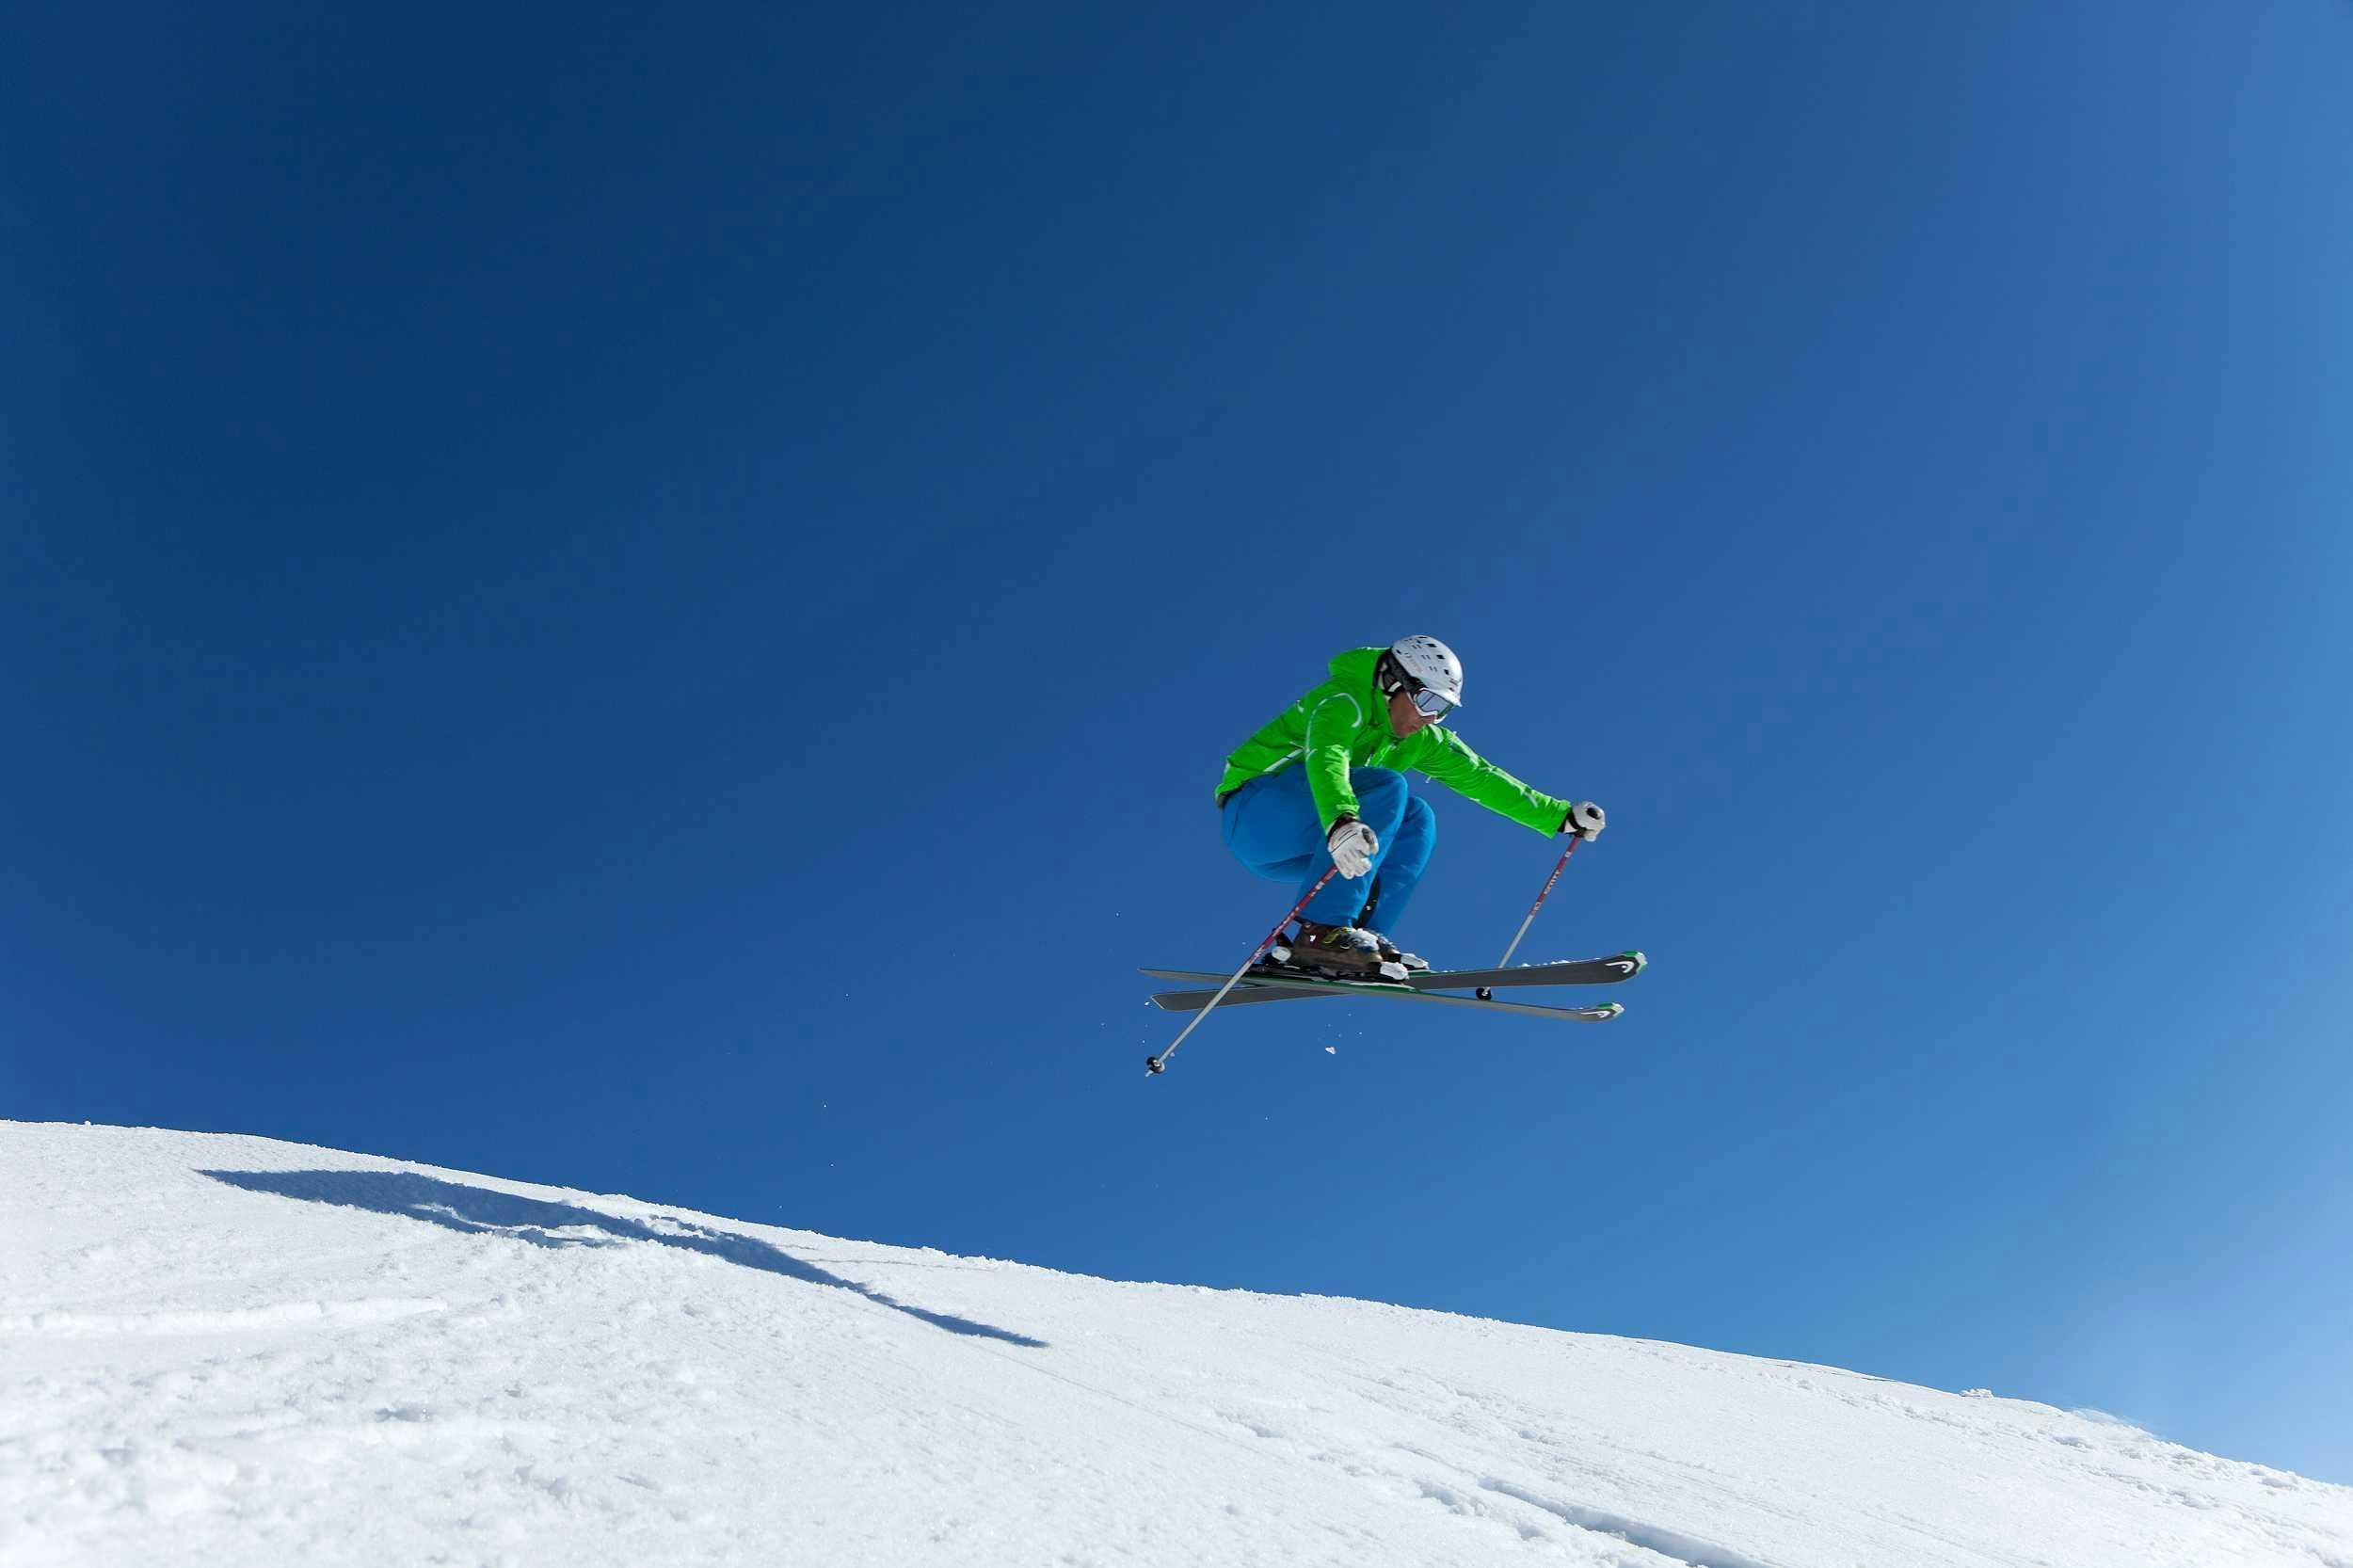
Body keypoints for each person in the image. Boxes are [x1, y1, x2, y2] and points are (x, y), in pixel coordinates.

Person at [1213, 636, 1603, 979]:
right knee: (1387, 786)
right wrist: (1342, 819)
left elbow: (1480, 776)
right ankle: (1322, 932)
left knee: (1417, 817)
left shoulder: (1421, 738)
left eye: (1444, 708)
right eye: (1427, 701)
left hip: (1313, 846)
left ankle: (1360, 937)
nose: (1431, 717)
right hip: (1256, 815)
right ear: (1392, 683)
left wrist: (1558, 816)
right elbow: (1326, 755)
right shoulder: (1344, 699)